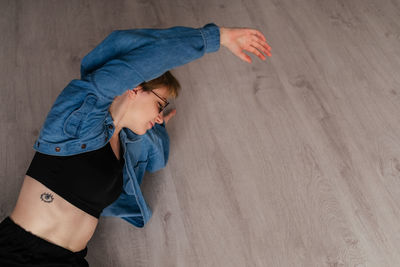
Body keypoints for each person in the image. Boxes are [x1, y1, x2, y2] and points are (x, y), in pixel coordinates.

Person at [0, 23, 271, 266]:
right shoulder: (77, 119)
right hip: (21, 254)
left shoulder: (125, 143)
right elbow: (142, 61)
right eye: (159, 104)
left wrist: (157, 126)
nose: (158, 114)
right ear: (133, 87)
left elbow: (157, 160)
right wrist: (216, 38)